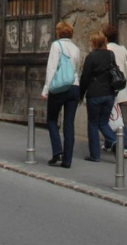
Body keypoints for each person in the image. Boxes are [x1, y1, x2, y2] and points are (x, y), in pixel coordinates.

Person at [40, 21, 83, 168]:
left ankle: (57, 151)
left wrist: (46, 89)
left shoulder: (56, 45)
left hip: (59, 87)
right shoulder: (76, 49)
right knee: (69, 124)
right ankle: (67, 159)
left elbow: (51, 68)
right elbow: (77, 69)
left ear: (59, 32)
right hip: (74, 86)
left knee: (52, 120)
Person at [102, 23, 127, 157]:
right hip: (122, 88)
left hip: (110, 89)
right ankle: (109, 143)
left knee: (116, 119)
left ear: (105, 37)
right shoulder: (122, 49)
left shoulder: (105, 49)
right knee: (111, 116)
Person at [78, 31, 117, 163]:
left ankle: (95, 154)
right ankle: (115, 142)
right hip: (109, 93)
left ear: (94, 43)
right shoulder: (110, 55)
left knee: (93, 124)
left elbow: (85, 77)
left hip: (95, 94)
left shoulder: (91, 57)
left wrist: (80, 94)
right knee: (103, 122)